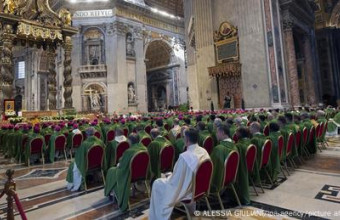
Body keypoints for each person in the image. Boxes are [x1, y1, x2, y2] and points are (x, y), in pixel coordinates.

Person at [149, 127, 210, 220]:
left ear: (186, 139)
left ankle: (158, 217)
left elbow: (175, 181)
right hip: (199, 188)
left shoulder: (185, 157)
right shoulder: (203, 151)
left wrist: (169, 176)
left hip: (188, 191)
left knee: (157, 183)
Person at [104, 133, 147, 211]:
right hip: (143, 173)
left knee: (111, 171)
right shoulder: (144, 148)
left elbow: (122, 165)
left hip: (130, 175)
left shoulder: (129, 151)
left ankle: (112, 194)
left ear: (129, 141)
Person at [66, 127, 106, 192]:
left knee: (72, 164)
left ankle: (76, 183)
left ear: (86, 134)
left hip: (88, 165)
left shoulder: (84, 144)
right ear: (94, 133)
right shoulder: (100, 142)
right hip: (98, 164)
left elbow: (79, 157)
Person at [210, 124, 237, 193]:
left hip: (220, 180)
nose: (216, 134)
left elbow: (211, 166)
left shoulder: (219, 149)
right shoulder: (235, 146)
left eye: (217, 132)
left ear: (222, 133)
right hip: (229, 178)